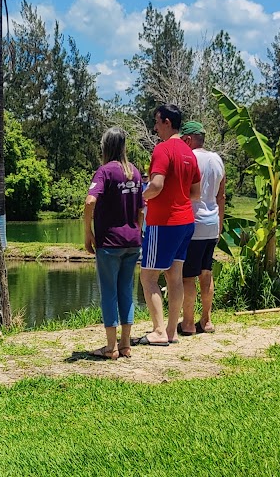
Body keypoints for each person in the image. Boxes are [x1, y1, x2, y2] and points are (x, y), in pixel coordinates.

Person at [138, 103, 201, 345]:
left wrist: (138, 197)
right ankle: (171, 331)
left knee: (148, 278)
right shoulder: (189, 153)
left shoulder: (162, 150)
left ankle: (158, 331)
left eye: (156, 122)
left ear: (167, 122)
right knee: (175, 277)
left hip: (163, 223)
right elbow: (195, 193)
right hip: (186, 222)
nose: (155, 128)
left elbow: (156, 185)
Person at [83, 127, 144, 358]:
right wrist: (137, 230)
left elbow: (90, 202)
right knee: (126, 291)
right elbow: (141, 209)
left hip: (110, 243)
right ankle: (125, 345)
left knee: (109, 292)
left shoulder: (104, 171)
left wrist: (88, 233)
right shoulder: (134, 172)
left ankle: (111, 347)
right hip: (133, 241)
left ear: (105, 147)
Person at [178, 119, 226, 335]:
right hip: (212, 223)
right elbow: (221, 196)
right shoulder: (217, 159)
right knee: (206, 273)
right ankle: (206, 320)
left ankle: (188, 323)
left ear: (188, 139)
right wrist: (219, 226)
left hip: (193, 223)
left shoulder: (189, 159)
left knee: (188, 276)